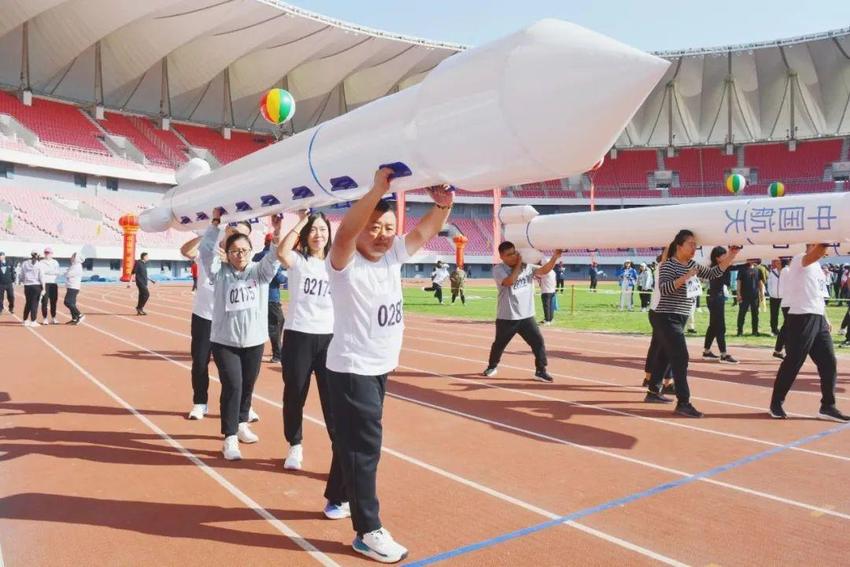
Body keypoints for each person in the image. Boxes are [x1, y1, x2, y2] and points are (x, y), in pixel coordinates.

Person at [324, 170, 452, 563]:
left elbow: (425, 232)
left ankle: (336, 496)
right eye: (373, 227)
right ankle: (367, 530)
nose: (382, 234)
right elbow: (345, 235)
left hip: (378, 367)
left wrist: (443, 204)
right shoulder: (344, 263)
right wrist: (378, 190)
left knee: (353, 439)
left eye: (389, 228)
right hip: (353, 368)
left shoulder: (393, 255)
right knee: (366, 448)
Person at [275, 210, 347, 519]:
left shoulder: (336, 265)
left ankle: (339, 457)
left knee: (333, 401)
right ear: (306, 234)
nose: (319, 234)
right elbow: (281, 251)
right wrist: (303, 220)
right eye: (313, 230)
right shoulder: (299, 261)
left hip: (329, 338)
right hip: (299, 335)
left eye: (323, 229)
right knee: (295, 392)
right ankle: (295, 444)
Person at [199, 208, 284, 460]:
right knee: (233, 386)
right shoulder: (220, 271)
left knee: (247, 386)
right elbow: (205, 252)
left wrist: (277, 232)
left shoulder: (259, 272)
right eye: (235, 251)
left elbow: (274, 257)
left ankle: (242, 423)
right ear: (227, 252)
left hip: (254, 341)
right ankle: (230, 437)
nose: (240, 255)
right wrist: (215, 223)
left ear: (250, 251)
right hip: (225, 341)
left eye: (244, 250)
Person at [644, 230, 739, 417]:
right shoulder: (667, 265)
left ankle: (653, 392)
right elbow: (665, 289)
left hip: (680, 317)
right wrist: (685, 277)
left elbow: (714, 273)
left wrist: (732, 255)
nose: (694, 248)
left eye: (696, 245)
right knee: (680, 358)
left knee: (664, 355)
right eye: (691, 244)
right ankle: (683, 402)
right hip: (666, 316)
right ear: (679, 246)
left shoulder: (693, 264)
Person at [180, 220, 256, 421]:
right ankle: (200, 402)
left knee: (240, 368)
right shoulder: (209, 250)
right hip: (205, 315)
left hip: (232, 318)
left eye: (243, 234)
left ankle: (244, 406)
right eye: (234, 231)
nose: (237, 236)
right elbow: (186, 251)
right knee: (200, 363)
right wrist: (206, 236)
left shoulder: (246, 257)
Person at [769, 244, 849, 422]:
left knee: (829, 362)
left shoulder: (819, 268)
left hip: (818, 317)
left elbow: (817, 295)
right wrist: (828, 236)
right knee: (793, 362)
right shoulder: (799, 259)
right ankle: (776, 403)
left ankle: (827, 406)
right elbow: (818, 251)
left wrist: (825, 317)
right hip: (801, 318)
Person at [483, 244, 563, 382]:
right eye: (509, 255)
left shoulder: (528, 267)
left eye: (514, 253)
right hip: (507, 317)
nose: (513, 256)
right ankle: (492, 366)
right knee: (499, 344)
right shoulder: (498, 270)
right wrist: (519, 264)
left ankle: (541, 370)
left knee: (538, 342)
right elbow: (510, 281)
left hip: (527, 316)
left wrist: (555, 257)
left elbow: (544, 270)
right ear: (502, 257)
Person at [253, 232, 286, 363]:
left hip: (258, 296)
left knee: (262, 324)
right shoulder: (273, 257)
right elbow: (278, 277)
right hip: (271, 296)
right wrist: (286, 279)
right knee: (276, 324)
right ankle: (277, 354)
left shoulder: (256, 256)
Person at [702, 246, 737, 364]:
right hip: (716, 298)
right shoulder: (718, 268)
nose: (726, 257)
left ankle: (706, 351)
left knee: (713, 326)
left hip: (714, 297)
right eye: (723, 255)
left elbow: (735, 266)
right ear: (717, 258)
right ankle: (723, 354)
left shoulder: (716, 267)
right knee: (720, 327)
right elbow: (733, 266)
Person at [736, 260, 763, 336]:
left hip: (755, 295)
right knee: (742, 313)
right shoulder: (742, 269)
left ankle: (755, 331)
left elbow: (760, 282)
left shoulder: (758, 269)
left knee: (755, 314)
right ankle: (740, 331)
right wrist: (738, 293)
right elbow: (739, 282)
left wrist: (761, 293)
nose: (752, 261)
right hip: (744, 295)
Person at [772, 259, 792, 360]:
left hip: (788, 302)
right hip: (789, 303)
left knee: (787, 327)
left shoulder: (786, 270)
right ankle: (783, 349)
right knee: (789, 327)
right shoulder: (787, 270)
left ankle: (778, 349)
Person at [19, 251, 43, 327]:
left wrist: (22, 281)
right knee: (35, 303)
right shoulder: (39, 264)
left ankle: (25, 320)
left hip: (27, 286)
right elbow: (41, 276)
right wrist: (44, 287)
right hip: (36, 285)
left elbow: (21, 274)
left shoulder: (25, 263)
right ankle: (33, 321)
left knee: (28, 303)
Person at [39, 247, 61, 325]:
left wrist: (47, 272)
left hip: (53, 283)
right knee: (44, 302)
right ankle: (45, 318)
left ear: (52, 253)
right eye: (45, 252)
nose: (47, 254)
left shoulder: (55, 262)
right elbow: (41, 273)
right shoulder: (41, 262)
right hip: (44, 284)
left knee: (53, 302)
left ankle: (53, 318)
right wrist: (52, 271)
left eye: (48, 252)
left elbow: (58, 272)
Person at [63, 252, 84, 324]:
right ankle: (74, 318)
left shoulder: (77, 266)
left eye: (73, 256)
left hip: (73, 287)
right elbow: (67, 273)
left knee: (67, 302)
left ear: (76, 258)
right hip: (71, 286)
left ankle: (79, 315)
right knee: (72, 303)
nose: (71, 257)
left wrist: (66, 272)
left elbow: (67, 274)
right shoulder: (74, 265)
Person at [536, 258, 557, 325]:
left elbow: (537, 274)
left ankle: (547, 320)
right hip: (552, 291)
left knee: (546, 306)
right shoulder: (553, 272)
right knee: (551, 306)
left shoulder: (546, 272)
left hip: (546, 291)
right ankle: (550, 319)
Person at [766, 258, 783, 335]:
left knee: (786, 314)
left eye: (778, 262)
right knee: (774, 314)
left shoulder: (785, 272)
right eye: (776, 262)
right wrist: (771, 293)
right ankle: (774, 329)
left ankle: (785, 330)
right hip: (774, 297)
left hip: (784, 297)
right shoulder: (772, 273)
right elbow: (769, 284)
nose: (777, 264)